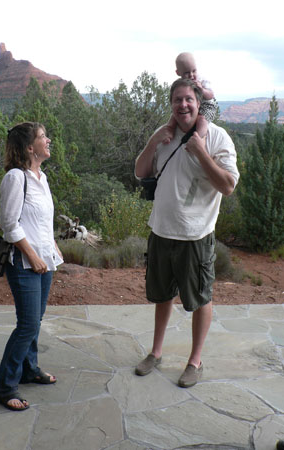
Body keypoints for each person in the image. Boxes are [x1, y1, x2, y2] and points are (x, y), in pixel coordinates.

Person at [135, 78, 239, 388]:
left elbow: (228, 186)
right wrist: (154, 142)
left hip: (196, 235)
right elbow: (141, 172)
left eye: (188, 99)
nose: (183, 105)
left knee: (201, 298)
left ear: (198, 102)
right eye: (177, 100)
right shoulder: (163, 135)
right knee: (162, 295)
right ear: (171, 105)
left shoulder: (218, 138)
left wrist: (201, 152)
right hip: (162, 231)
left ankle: (195, 361)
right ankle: (155, 352)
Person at [0, 122, 63, 411]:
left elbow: (40, 221)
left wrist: (51, 249)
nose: (49, 140)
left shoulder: (41, 177)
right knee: (27, 325)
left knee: (36, 321)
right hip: (24, 263)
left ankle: (30, 370)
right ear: (29, 147)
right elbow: (9, 225)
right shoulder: (15, 178)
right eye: (42, 137)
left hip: (44, 260)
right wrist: (32, 256)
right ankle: (5, 386)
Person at [166, 52, 218, 141]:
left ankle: (198, 139)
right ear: (178, 73)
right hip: (191, 106)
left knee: (201, 120)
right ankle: (168, 134)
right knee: (173, 117)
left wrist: (202, 90)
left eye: (194, 71)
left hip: (206, 106)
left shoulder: (201, 80)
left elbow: (211, 95)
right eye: (186, 72)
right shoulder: (180, 84)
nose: (191, 75)